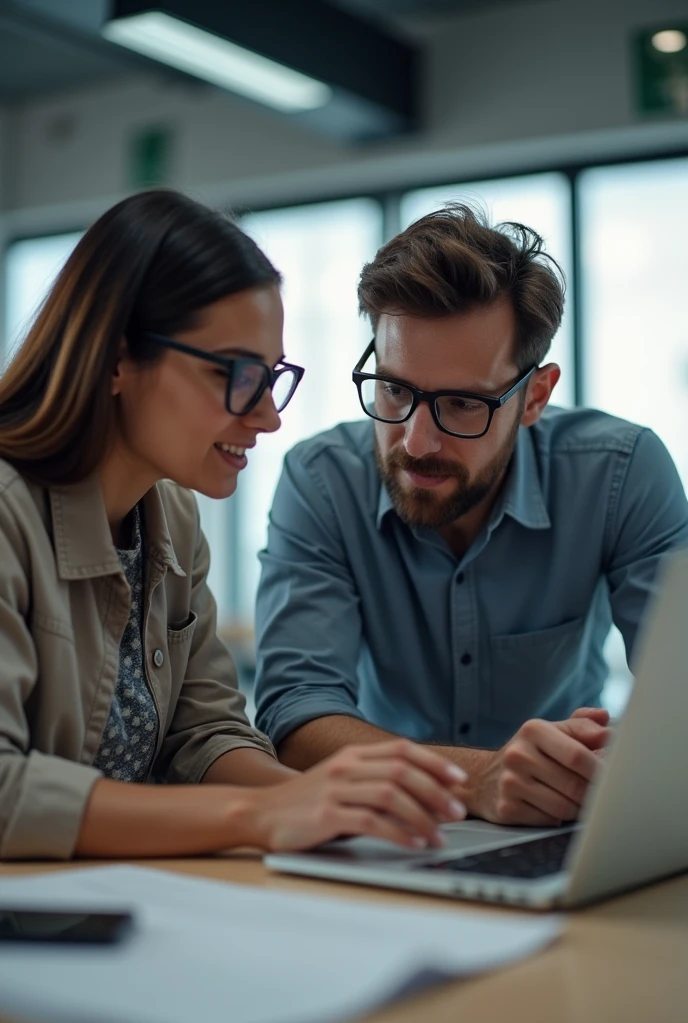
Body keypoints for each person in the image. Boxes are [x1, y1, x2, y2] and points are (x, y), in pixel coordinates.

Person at [0, 189, 468, 861]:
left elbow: (206, 733)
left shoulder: (172, 515)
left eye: (272, 375)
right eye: (240, 373)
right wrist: (261, 813)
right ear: (114, 358)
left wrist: (326, 804)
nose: (268, 416)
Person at [254, 203, 688, 828]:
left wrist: (614, 763)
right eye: (395, 390)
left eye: (462, 404)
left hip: (562, 824)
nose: (416, 441)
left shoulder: (619, 473)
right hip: (391, 829)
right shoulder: (321, 481)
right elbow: (297, 715)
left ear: (534, 396)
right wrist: (475, 778)